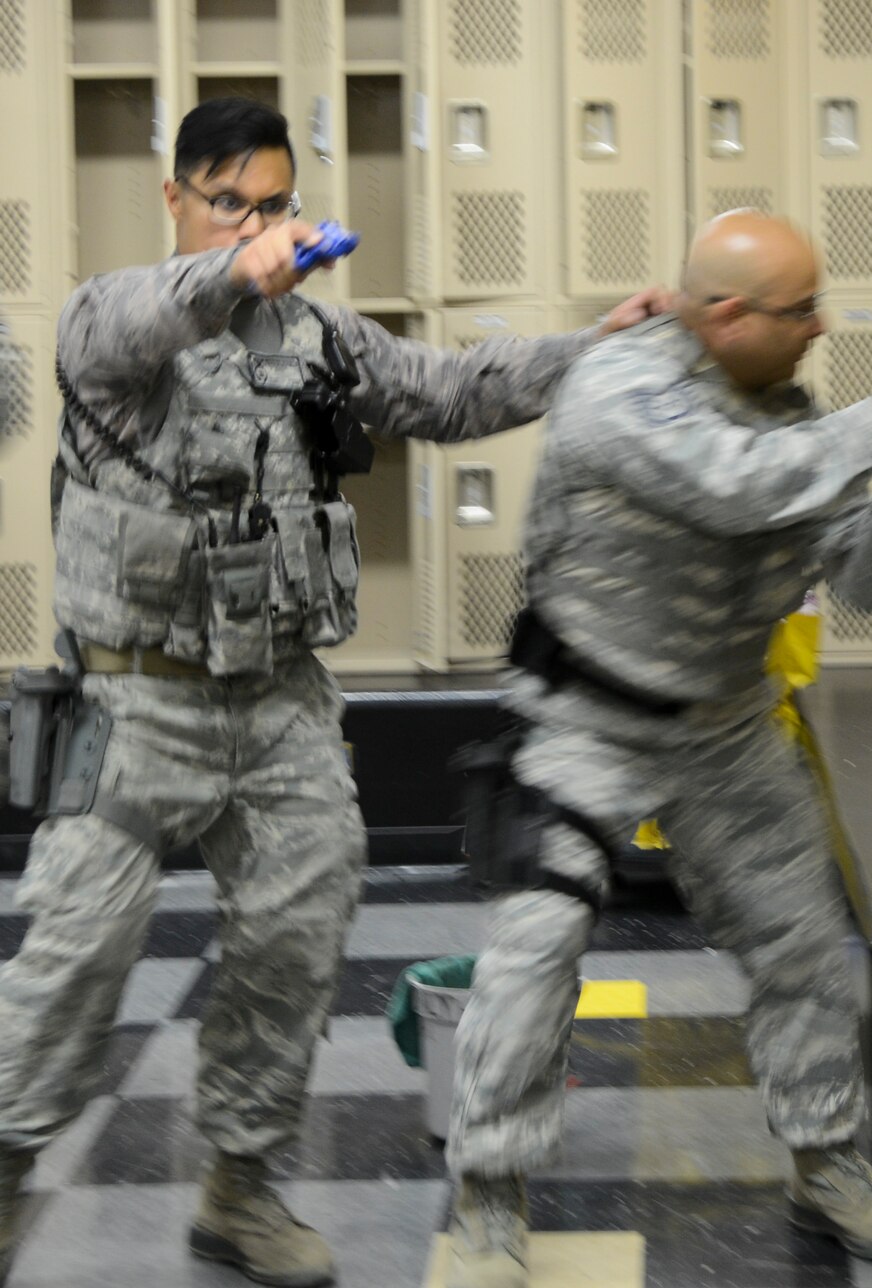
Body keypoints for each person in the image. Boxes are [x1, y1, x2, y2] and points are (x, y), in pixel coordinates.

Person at [0, 97, 667, 1288]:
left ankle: (240, 1189)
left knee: (299, 940)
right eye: (228, 203)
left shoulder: (315, 339)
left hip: (277, 704)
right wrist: (228, 274)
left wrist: (598, 345)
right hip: (130, 703)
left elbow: (453, 389)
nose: (258, 227)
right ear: (176, 200)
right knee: (77, 956)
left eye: (274, 204)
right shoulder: (111, 317)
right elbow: (155, 312)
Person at [441, 211, 872, 1288]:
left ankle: (828, 1161)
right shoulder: (619, 390)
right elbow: (732, 483)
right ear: (726, 314)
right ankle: (489, 1193)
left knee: (798, 943)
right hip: (587, 719)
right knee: (535, 951)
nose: (820, 326)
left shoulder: (788, 411)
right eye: (798, 310)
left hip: (728, 726)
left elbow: (862, 577)